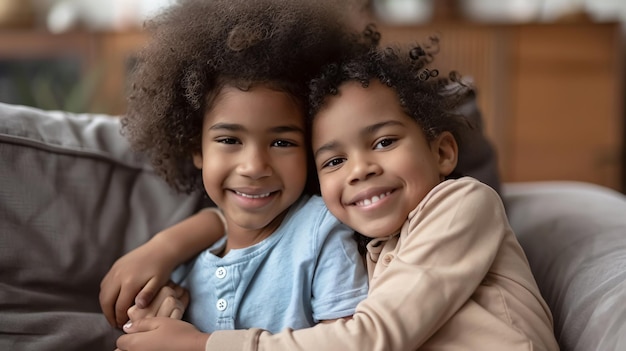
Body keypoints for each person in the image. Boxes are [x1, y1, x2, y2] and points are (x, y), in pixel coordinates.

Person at [118, 41, 560, 351]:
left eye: (384, 142)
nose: (360, 169)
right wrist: (169, 251)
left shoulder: (462, 205)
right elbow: (249, 219)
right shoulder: (364, 234)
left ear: (443, 151)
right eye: (333, 161)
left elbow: (370, 338)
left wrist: (204, 346)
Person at [99, 0, 381, 345]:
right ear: (196, 147)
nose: (254, 167)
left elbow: (347, 342)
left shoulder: (320, 233)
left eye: (282, 143)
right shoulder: (184, 270)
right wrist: (151, 321)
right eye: (230, 139)